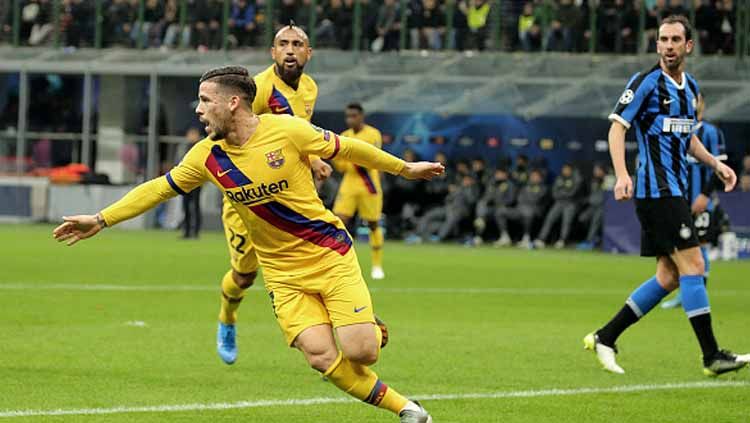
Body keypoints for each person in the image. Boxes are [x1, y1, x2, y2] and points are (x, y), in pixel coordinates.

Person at [53, 65, 442, 423]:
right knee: (321, 356)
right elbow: (158, 189)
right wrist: (101, 219)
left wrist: (404, 168)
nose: (199, 110)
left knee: (362, 352)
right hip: (282, 275)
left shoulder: (286, 130)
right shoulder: (206, 156)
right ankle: (408, 410)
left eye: (206, 100)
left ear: (232, 102)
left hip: (328, 254)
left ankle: (368, 327)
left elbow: (346, 147)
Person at [584, 15, 748, 376]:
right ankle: (711, 356)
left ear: (688, 46)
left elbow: (687, 137)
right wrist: (623, 174)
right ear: (656, 44)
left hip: (673, 190)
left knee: (669, 276)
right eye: (663, 39)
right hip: (656, 192)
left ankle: (606, 336)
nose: (669, 46)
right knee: (696, 265)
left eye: (676, 40)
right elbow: (616, 130)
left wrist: (715, 165)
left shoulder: (690, 89)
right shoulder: (645, 83)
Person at [215, 24, 336, 366]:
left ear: (308, 53)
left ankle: (345, 316)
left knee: (316, 251)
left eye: (298, 44)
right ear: (272, 52)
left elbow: (293, 136)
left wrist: (313, 159)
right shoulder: (259, 88)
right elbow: (230, 131)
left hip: (285, 197)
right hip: (245, 199)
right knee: (244, 276)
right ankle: (227, 318)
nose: (290, 50)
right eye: (283, 44)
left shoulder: (309, 89)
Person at [661, 94, 727, 309]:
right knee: (680, 248)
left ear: (702, 104)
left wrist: (705, 195)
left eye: (696, 99)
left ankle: (699, 294)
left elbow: (720, 168)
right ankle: (685, 293)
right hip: (678, 200)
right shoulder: (676, 130)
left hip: (701, 201)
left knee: (700, 246)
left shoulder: (710, 132)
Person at [332, 103, 387, 280]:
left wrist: (352, 157)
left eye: (354, 116)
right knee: (339, 222)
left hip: (369, 185)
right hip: (349, 183)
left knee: (372, 224)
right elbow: (340, 165)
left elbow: (373, 159)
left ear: (361, 116)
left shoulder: (373, 134)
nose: (350, 120)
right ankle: (338, 263)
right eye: (348, 116)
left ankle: (377, 265)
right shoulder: (344, 136)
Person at [495, 168, 547, 248]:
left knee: (528, 213)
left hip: (535, 211)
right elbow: (519, 198)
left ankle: (526, 238)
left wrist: (527, 201)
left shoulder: (543, 187)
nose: (533, 177)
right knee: (500, 211)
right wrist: (525, 203)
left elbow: (536, 200)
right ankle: (505, 237)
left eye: (535, 176)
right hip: (520, 209)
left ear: (540, 178)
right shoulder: (526, 186)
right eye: (532, 176)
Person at [534, 163, 582, 249]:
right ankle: (541, 239)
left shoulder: (576, 178)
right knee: (549, 218)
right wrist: (563, 193)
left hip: (570, 203)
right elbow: (554, 192)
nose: (565, 171)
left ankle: (562, 240)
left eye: (567, 169)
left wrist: (562, 193)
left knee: (566, 221)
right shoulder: (560, 178)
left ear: (571, 169)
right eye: (564, 169)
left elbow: (573, 193)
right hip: (559, 202)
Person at [473, 167, 517, 246]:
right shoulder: (492, 184)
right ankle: (478, 236)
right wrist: (488, 200)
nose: (498, 175)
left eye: (500, 174)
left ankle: (505, 237)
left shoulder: (510, 185)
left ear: (505, 175)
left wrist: (499, 203)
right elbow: (486, 196)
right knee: (481, 204)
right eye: (497, 174)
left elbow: (511, 199)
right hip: (492, 208)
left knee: (498, 212)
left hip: (504, 208)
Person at [576, 163, 608, 250]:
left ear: (602, 171)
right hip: (593, 206)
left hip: (604, 207)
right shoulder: (593, 181)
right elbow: (592, 195)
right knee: (582, 218)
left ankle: (590, 241)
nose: (596, 172)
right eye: (595, 170)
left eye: (598, 170)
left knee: (595, 221)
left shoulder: (608, 180)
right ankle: (596, 237)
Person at [180, 128, 202, 239]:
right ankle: (186, 231)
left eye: (193, 134)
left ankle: (196, 231)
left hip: (197, 182)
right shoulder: (186, 147)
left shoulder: (200, 148)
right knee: (185, 206)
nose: (191, 136)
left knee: (195, 206)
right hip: (186, 182)